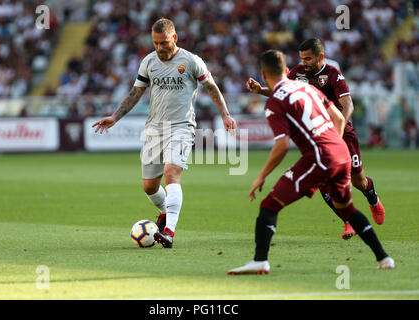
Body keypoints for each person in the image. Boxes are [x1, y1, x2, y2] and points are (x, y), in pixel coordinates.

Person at [228, 50, 394, 275]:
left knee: (269, 204)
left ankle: (260, 260)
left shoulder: (275, 103)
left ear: (263, 74)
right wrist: (333, 145)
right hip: (341, 152)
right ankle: (384, 258)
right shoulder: (308, 88)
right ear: (287, 71)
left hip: (319, 156)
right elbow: (337, 117)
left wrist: (261, 176)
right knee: (347, 208)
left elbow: (282, 145)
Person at [92, 18, 236, 248]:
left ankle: (169, 231)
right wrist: (115, 117)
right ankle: (164, 213)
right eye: (156, 43)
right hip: (154, 130)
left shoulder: (191, 61)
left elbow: (211, 87)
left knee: (171, 173)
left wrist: (225, 114)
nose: (160, 48)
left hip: (181, 127)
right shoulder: (148, 62)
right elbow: (135, 93)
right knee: (149, 186)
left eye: (164, 43)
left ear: (174, 38)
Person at [246, 38, 385, 240]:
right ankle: (348, 222)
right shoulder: (297, 73)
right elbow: (283, 92)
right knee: (325, 184)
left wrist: (337, 134)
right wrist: (261, 90)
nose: (304, 62)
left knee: (358, 181)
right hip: (318, 138)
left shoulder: (332, 75)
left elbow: (348, 106)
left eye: (309, 58)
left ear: (320, 57)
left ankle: (372, 198)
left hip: (342, 134)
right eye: (302, 58)